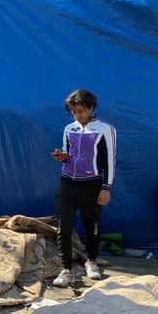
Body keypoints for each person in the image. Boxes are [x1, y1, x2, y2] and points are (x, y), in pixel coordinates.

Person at [51, 89, 117, 287]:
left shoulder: (106, 129)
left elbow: (110, 162)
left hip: (92, 184)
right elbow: (68, 153)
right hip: (68, 183)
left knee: (92, 226)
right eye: (73, 112)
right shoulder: (69, 128)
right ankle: (66, 270)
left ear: (91, 107)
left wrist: (106, 188)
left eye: (80, 111)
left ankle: (91, 261)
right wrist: (61, 156)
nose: (76, 115)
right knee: (64, 227)